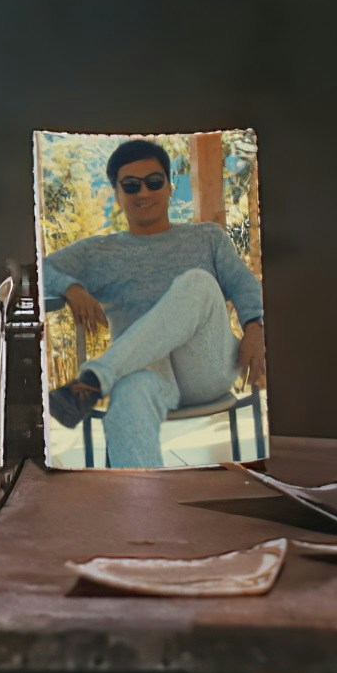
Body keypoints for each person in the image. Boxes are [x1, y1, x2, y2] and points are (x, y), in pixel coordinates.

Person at [42, 139, 265, 467]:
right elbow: (38, 269)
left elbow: (243, 283)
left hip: (205, 369)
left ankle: (94, 380)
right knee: (128, 395)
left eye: (154, 182)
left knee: (198, 283)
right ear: (118, 195)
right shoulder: (98, 252)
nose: (143, 193)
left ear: (170, 187)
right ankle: (141, 506)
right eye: (131, 186)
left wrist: (255, 325)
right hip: (147, 376)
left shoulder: (206, 238)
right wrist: (71, 287)